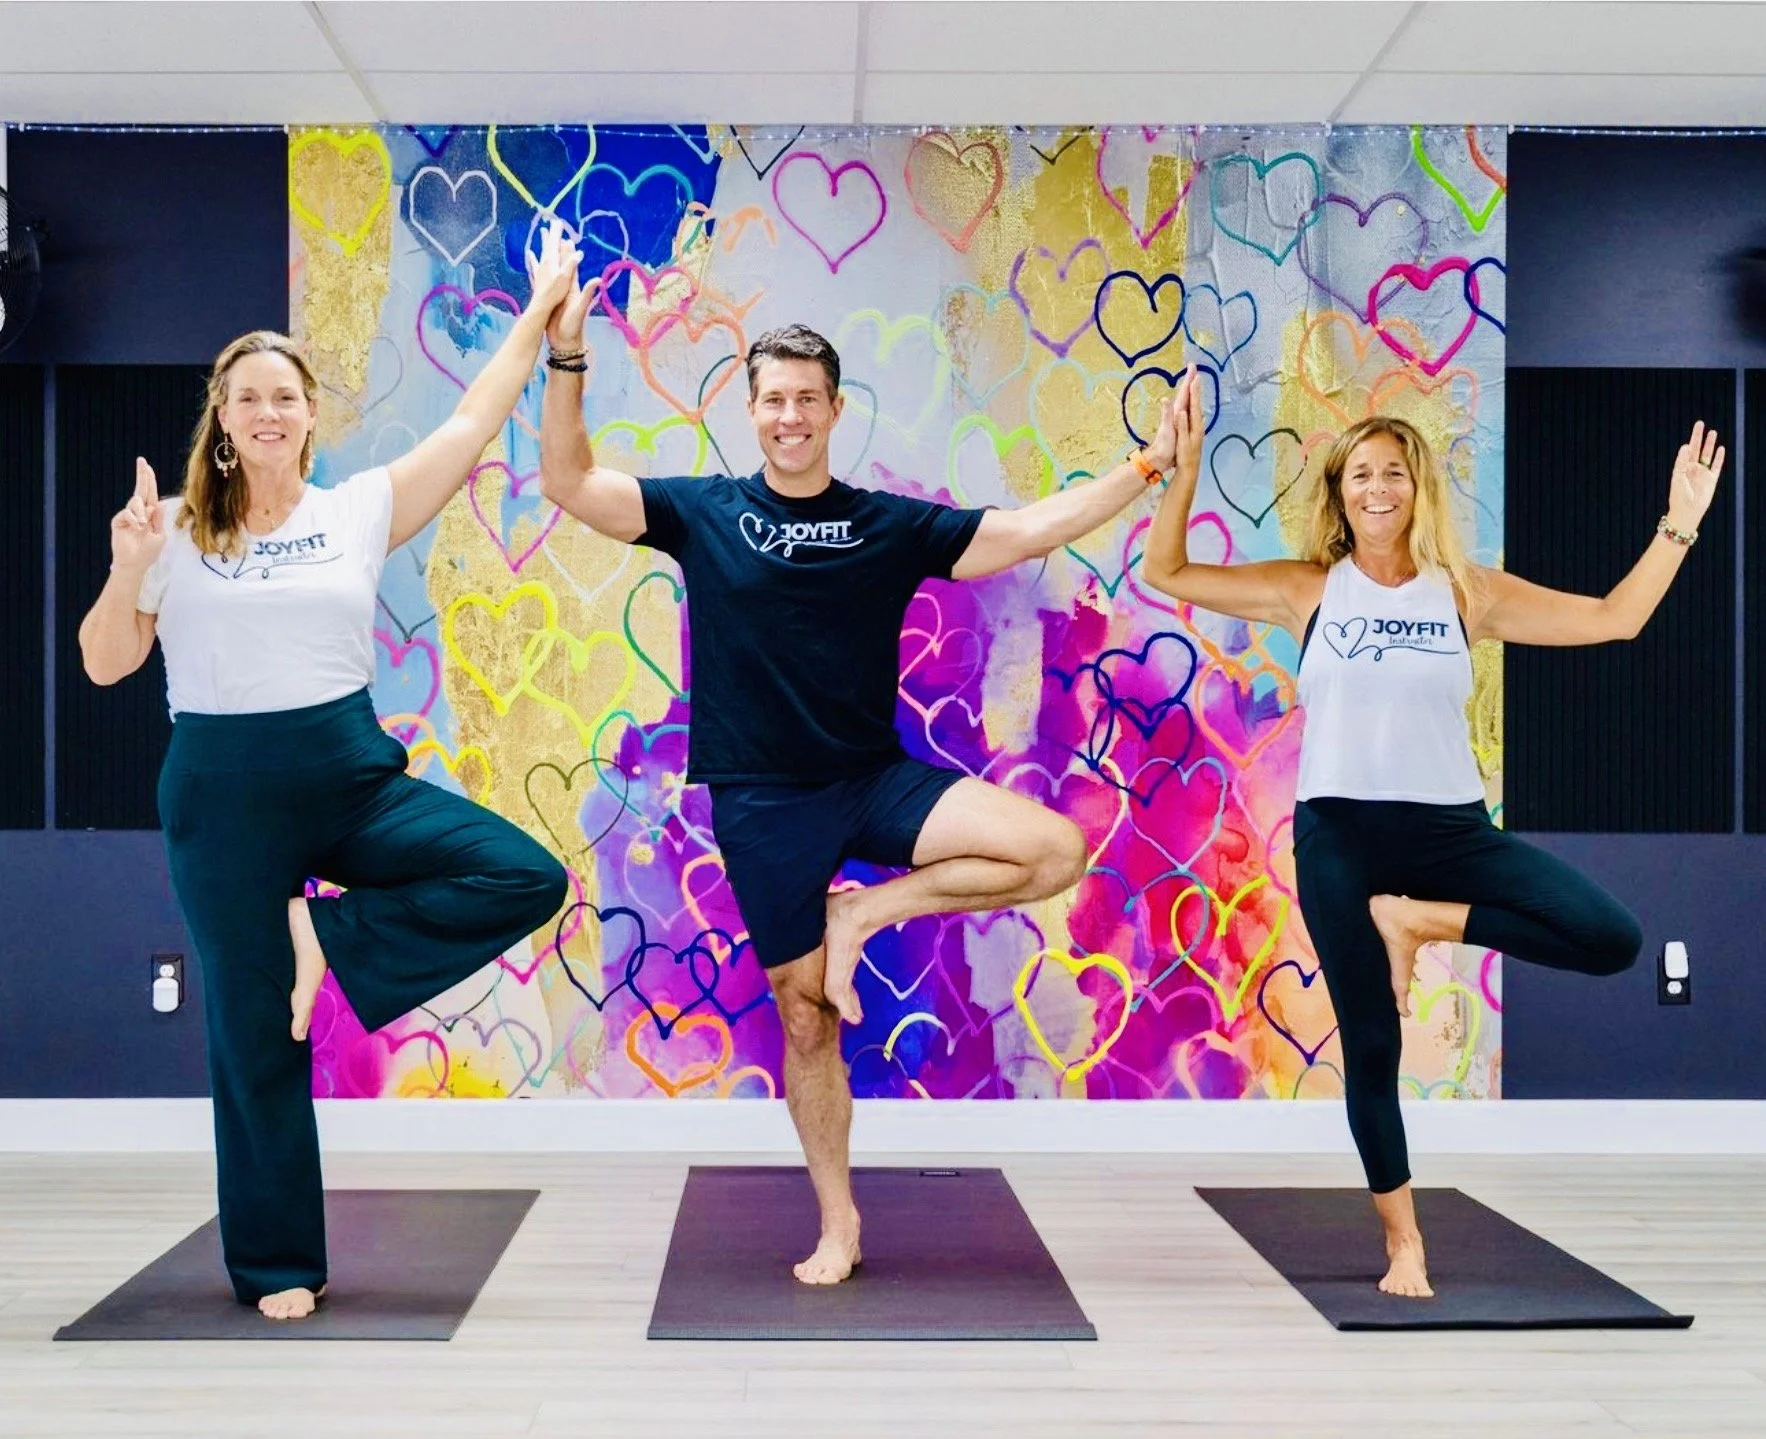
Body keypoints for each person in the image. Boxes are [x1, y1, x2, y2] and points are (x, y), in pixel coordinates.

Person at [540, 289, 1200, 1283]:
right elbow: (568, 478)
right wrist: (566, 359)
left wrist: (1148, 465)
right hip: (761, 800)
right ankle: (838, 1220)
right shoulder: (701, 512)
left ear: (834, 409)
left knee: (1053, 848)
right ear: (750, 409)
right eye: (773, 398)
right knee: (805, 1015)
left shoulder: (883, 524)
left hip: (870, 779)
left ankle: (862, 915)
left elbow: (1022, 531)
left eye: (807, 397)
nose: (790, 415)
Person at [77, 228, 583, 1321]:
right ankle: (276, 1264)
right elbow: (108, 661)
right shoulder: (163, 527)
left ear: (311, 417)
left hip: (349, 772)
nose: (266, 411)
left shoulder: (354, 511)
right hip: (219, 794)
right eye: (246, 395)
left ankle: (326, 934)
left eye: (284, 396)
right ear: (222, 416)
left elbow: (471, 417)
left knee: (520, 874)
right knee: (253, 1033)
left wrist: (542, 307)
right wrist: (126, 573)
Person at [1141, 385, 1725, 1298]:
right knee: (1370, 1046)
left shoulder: (1466, 592)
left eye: (1394, 472)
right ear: (1340, 495)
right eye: (1360, 475)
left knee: (1610, 937)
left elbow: (1617, 616)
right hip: (1339, 834)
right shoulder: (1307, 589)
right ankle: (1403, 1241)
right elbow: (1167, 572)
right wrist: (1179, 472)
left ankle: (1420, 922)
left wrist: (1678, 523)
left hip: (1451, 832)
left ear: (1419, 488)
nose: (1378, 488)